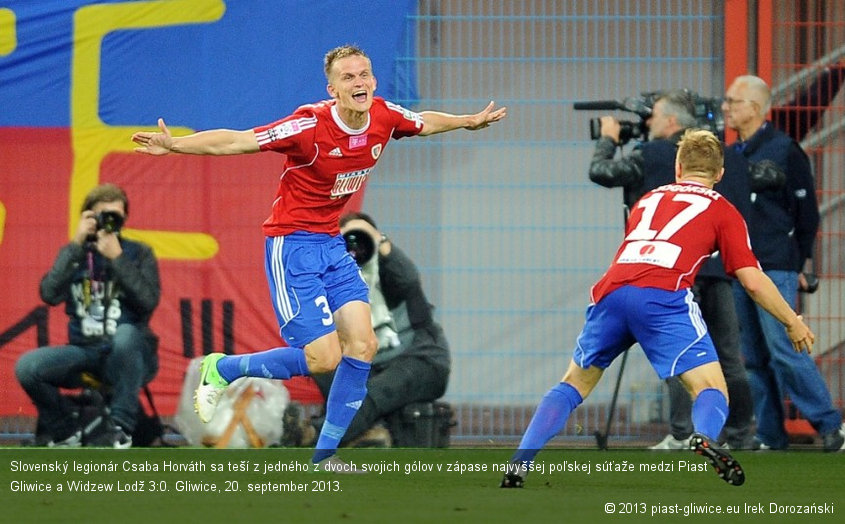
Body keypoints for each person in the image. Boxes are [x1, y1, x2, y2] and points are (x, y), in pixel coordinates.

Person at [131, 44, 505, 467]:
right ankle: (223, 369)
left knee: (362, 346)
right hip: (291, 245)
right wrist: (177, 145)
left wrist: (467, 122)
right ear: (333, 89)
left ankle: (324, 456)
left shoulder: (384, 115)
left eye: (364, 74)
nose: (359, 82)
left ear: (374, 80)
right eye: (348, 78)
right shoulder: (308, 125)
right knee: (323, 358)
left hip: (331, 242)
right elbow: (237, 141)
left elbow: (425, 122)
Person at [501, 129, 815, 489]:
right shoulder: (723, 211)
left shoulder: (648, 200)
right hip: (663, 297)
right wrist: (791, 321)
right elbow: (753, 281)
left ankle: (519, 463)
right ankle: (705, 438)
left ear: (678, 167)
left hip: (611, 292)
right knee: (712, 388)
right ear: (720, 173)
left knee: (573, 384)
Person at [589, 90, 755, 449]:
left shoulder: (650, 155)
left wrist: (607, 139)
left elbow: (601, 171)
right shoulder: (729, 160)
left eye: (654, 117)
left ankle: (682, 434)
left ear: (672, 122)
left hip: (672, 274)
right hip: (717, 270)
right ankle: (742, 436)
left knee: (679, 354)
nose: (648, 124)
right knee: (729, 357)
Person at [722, 74, 844, 451]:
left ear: (755, 108)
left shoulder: (785, 149)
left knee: (785, 349)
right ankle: (770, 435)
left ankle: (830, 427)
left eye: (732, 102)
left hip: (774, 265)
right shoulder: (731, 154)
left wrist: (800, 262)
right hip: (740, 266)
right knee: (755, 357)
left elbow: (807, 215)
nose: (725, 108)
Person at [287, 212, 450, 448]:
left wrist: (379, 242)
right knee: (324, 360)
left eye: (361, 238)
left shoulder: (391, 268)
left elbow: (409, 281)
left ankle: (314, 436)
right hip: (372, 362)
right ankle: (364, 433)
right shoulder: (334, 277)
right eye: (347, 242)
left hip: (419, 359)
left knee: (371, 394)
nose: (356, 247)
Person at [15, 184, 160, 448]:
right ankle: (65, 432)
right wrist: (76, 244)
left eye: (115, 216)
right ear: (87, 217)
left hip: (129, 357)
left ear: (125, 219)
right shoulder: (75, 254)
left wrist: (117, 258)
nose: (108, 222)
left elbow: (148, 302)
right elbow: (49, 293)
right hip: (84, 352)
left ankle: (120, 429)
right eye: (101, 215)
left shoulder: (138, 254)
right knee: (28, 367)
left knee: (126, 334)